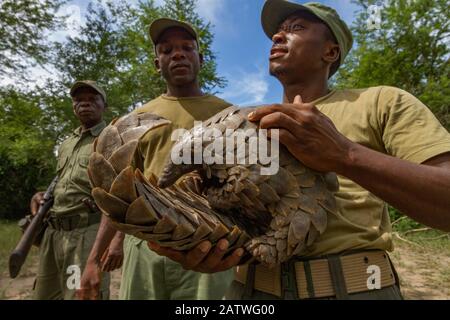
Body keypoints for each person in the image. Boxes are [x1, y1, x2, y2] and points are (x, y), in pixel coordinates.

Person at [149, 1, 450, 300]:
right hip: (248, 291)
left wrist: (344, 155)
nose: (277, 37)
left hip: (353, 288)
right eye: (277, 32)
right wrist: (207, 243)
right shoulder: (245, 119)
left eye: (296, 28)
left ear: (330, 51)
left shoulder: (380, 102)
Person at [78, 18, 234, 300]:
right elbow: (115, 194)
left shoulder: (230, 115)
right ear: (156, 63)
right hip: (146, 244)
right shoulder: (134, 121)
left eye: (187, 47)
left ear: (200, 58)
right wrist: (94, 259)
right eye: (166, 49)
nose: (177, 54)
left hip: (209, 245)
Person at [30, 80, 123, 300]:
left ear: (104, 105)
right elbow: (65, 181)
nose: (85, 104)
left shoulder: (111, 139)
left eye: (92, 99)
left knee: (82, 294)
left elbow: (120, 196)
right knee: (45, 295)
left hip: (86, 235)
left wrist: (117, 241)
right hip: (54, 234)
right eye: (79, 100)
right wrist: (43, 195)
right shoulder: (66, 144)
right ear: (73, 106)